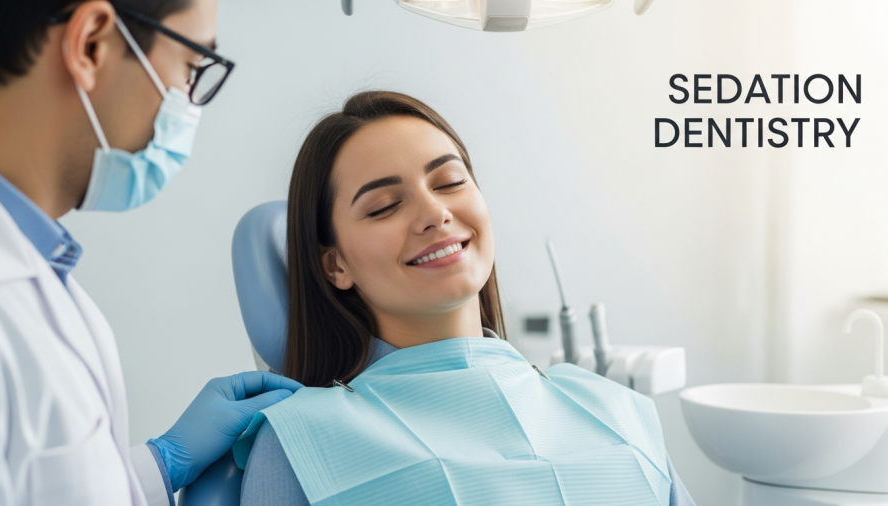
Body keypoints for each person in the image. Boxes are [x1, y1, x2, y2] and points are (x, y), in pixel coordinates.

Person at [234, 91, 696, 505]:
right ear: (335, 265)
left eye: (450, 181)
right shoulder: (301, 441)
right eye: (384, 207)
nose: (435, 213)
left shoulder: (615, 409)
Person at [0, 1, 302, 505]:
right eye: (191, 67)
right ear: (91, 43)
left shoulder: (42, 275)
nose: (189, 105)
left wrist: (159, 464)